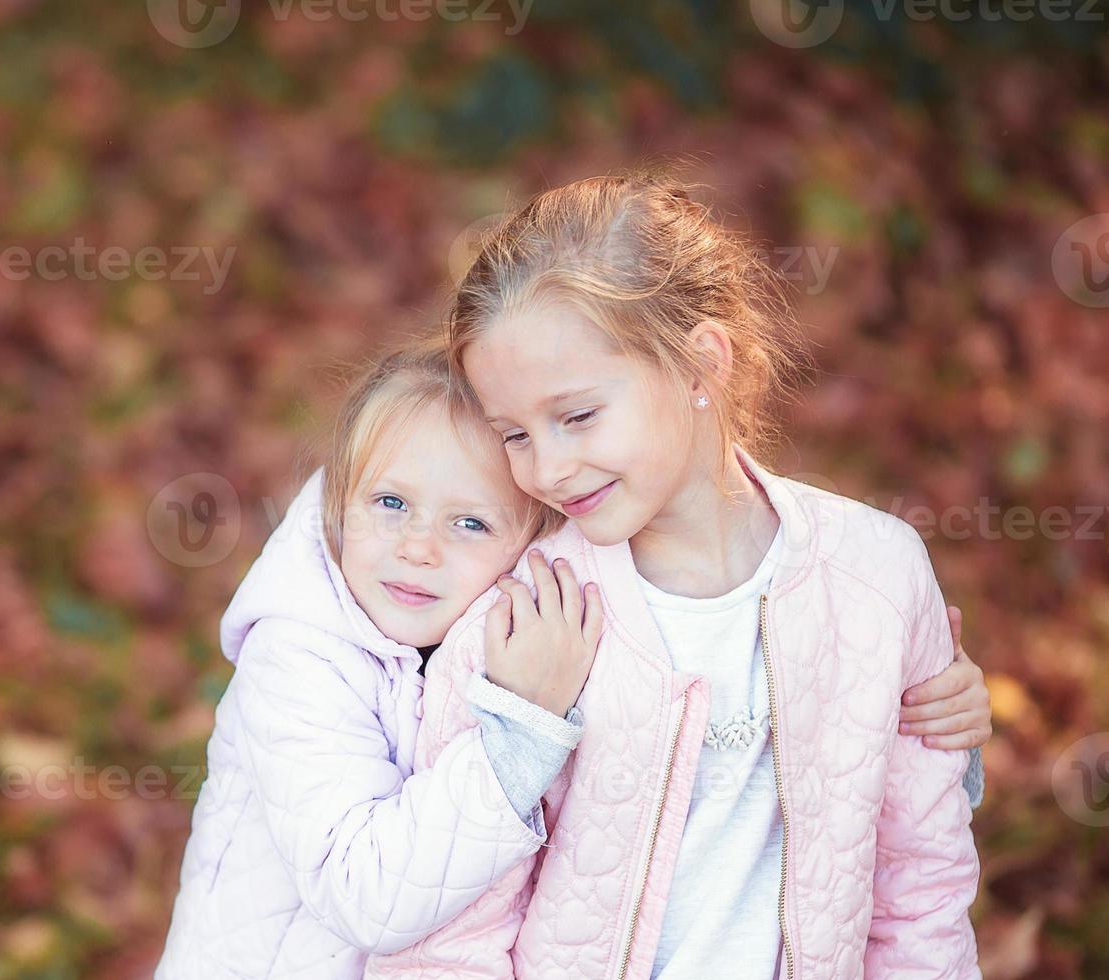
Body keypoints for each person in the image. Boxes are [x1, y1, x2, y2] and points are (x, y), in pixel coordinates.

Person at [368, 172, 985, 979]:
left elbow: (921, 885)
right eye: (512, 434)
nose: (547, 467)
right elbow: (447, 936)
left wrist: (954, 741)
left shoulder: (876, 575)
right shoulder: (526, 621)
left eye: (578, 415)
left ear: (702, 364)